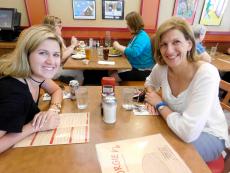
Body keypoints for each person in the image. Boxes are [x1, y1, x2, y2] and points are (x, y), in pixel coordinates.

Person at [144, 16, 229, 162]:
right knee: (146, 145)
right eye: (164, 44)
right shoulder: (162, 68)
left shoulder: (206, 73)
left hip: (208, 133)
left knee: (162, 158)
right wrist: (151, 96)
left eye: (176, 42)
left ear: (189, 44)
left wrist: (159, 104)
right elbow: (149, 82)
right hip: (175, 125)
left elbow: (188, 133)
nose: (169, 51)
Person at [0, 25, 63, 153]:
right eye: (42, 53)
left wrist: (53, 110)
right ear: (26, 55)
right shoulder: (15, 95)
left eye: (56, 54)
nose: (51, 61)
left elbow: (57, 90)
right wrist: (35, 126)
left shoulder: (35, 76)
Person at [112, 11, 155, 82]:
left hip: (143, 70)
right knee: (111, 71)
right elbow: (130, 50)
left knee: (112, 77)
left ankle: (117, 92)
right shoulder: (137, 35)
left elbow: (134, 52)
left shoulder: (142, 36)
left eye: (128, 24)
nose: (127, 26)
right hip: (136, 67)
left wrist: (118, 46)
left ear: (133, 24)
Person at [43, 15, 84, 85]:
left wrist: (73, 46)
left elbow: (63, 52)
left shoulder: (57, 37)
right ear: (51, 27)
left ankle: (72, 86)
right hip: (52, 70)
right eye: (58, 26)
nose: (61, 28)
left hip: (57, 67)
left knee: (81, 68)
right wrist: (73, 45)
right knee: (79, 72)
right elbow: (61, 58)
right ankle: (76, 92)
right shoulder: (51, 39)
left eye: (61, 25)